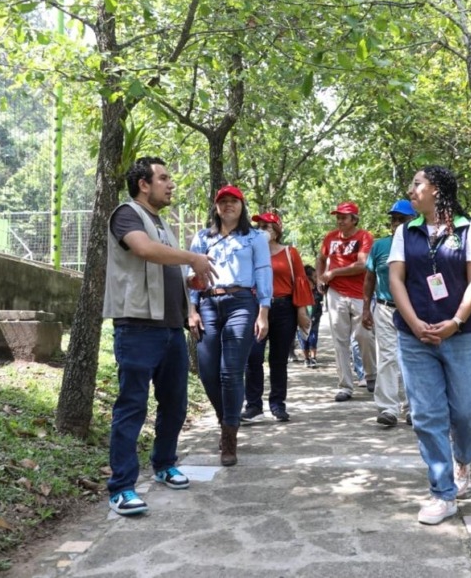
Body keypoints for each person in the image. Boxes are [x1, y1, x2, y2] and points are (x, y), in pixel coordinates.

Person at [102, 157, 215, 517]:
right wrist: (193, 259)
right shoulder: (127, 214)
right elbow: (144, 251)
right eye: (164, 178)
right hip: (136, 326)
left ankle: (165, 463)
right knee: (132, 405)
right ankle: (121, 488)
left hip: (169, 328)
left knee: (175, 404)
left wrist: (189, 283)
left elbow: (166, 267)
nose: (171, 184)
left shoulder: (163, 223)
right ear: (143, 184)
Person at [388, 166, 471, 526]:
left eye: (417, 184)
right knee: (427, 415)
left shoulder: (467, 229)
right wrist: (415, 323)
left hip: (459, 335)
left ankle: (463, 459)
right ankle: (442, 493)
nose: (411, 190)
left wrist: (456, 322)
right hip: (414, 337)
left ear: (437, 190)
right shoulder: (406, 232)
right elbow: (396, 278)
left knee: (466, 411)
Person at [188, 185, 272, 466]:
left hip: (241, 303)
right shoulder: (202, 238)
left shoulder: (255, 237)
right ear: (216, 207)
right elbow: (191, 275)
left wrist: (264, 311)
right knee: (208, 370)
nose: (228, 206)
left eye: (233, 201)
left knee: (230, 372)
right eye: (222, 202)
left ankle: (229, 436)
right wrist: (192, 309)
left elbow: (263, 272)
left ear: (241, 205)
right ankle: (225, 418)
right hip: (209, 303)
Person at [242, 212, 314, 423]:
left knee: (278, 359)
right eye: (260, 225)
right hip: (257, 308)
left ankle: (277, 405)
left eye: (269, 225)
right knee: (253, 356)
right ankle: (253, 406)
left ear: (278, 229)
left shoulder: (290, 253)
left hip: (284, 308)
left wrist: (301, 312)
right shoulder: (252, 251)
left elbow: (300, 281)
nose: (264, 228)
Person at [362, 199, 417, 427]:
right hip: (385, 308)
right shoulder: (380, 246)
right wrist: (366, 308)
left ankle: (414, 408)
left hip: (414, 310)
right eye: (394, 220)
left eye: (401, 219)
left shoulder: (420, 244)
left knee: (412, 358)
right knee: (386, 357)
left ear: (413, 221)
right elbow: (369, 278)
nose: (396, 224)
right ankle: (388, 409)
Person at [316, 201, 375, 402]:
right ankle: (345, 386)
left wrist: (332, 272)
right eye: (338, 217)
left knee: (364, 336)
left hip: (360, 293)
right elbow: (320, 258)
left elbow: (362, 265)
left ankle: (371, 375)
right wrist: (319, 277)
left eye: (344, 217)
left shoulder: (364, 237)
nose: (340, 220)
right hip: (336, 293)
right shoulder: (330, 237)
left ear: (354, 219)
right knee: (339, 339)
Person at [300, 265, 322, 367]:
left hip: (314, 321)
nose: (316, 279)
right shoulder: (299, 291)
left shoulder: (317, 292)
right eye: (314, 277)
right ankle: (306, 358)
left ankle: (313, 358)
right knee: (303, 339)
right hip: (302, 322)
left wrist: (315, 317)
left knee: (313, 338)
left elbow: (319, 308)